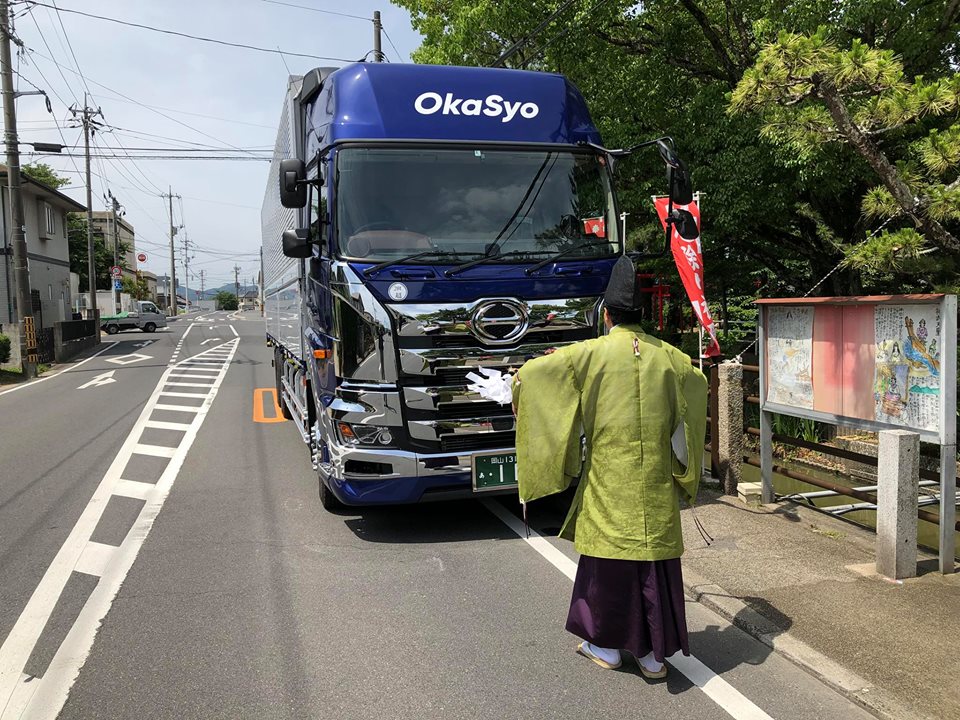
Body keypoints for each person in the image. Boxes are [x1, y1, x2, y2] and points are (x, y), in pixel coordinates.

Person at [512, 255, 707, 679]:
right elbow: (697, 393)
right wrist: (684, 470)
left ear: (606, 314)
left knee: (609, 564)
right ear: (642, 315)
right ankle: (655, 656)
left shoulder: (585, 355)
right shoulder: (673, 359)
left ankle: (607, 646)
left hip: (608, 481)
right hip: (654, 484)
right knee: (653, 563)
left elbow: (531, 378)